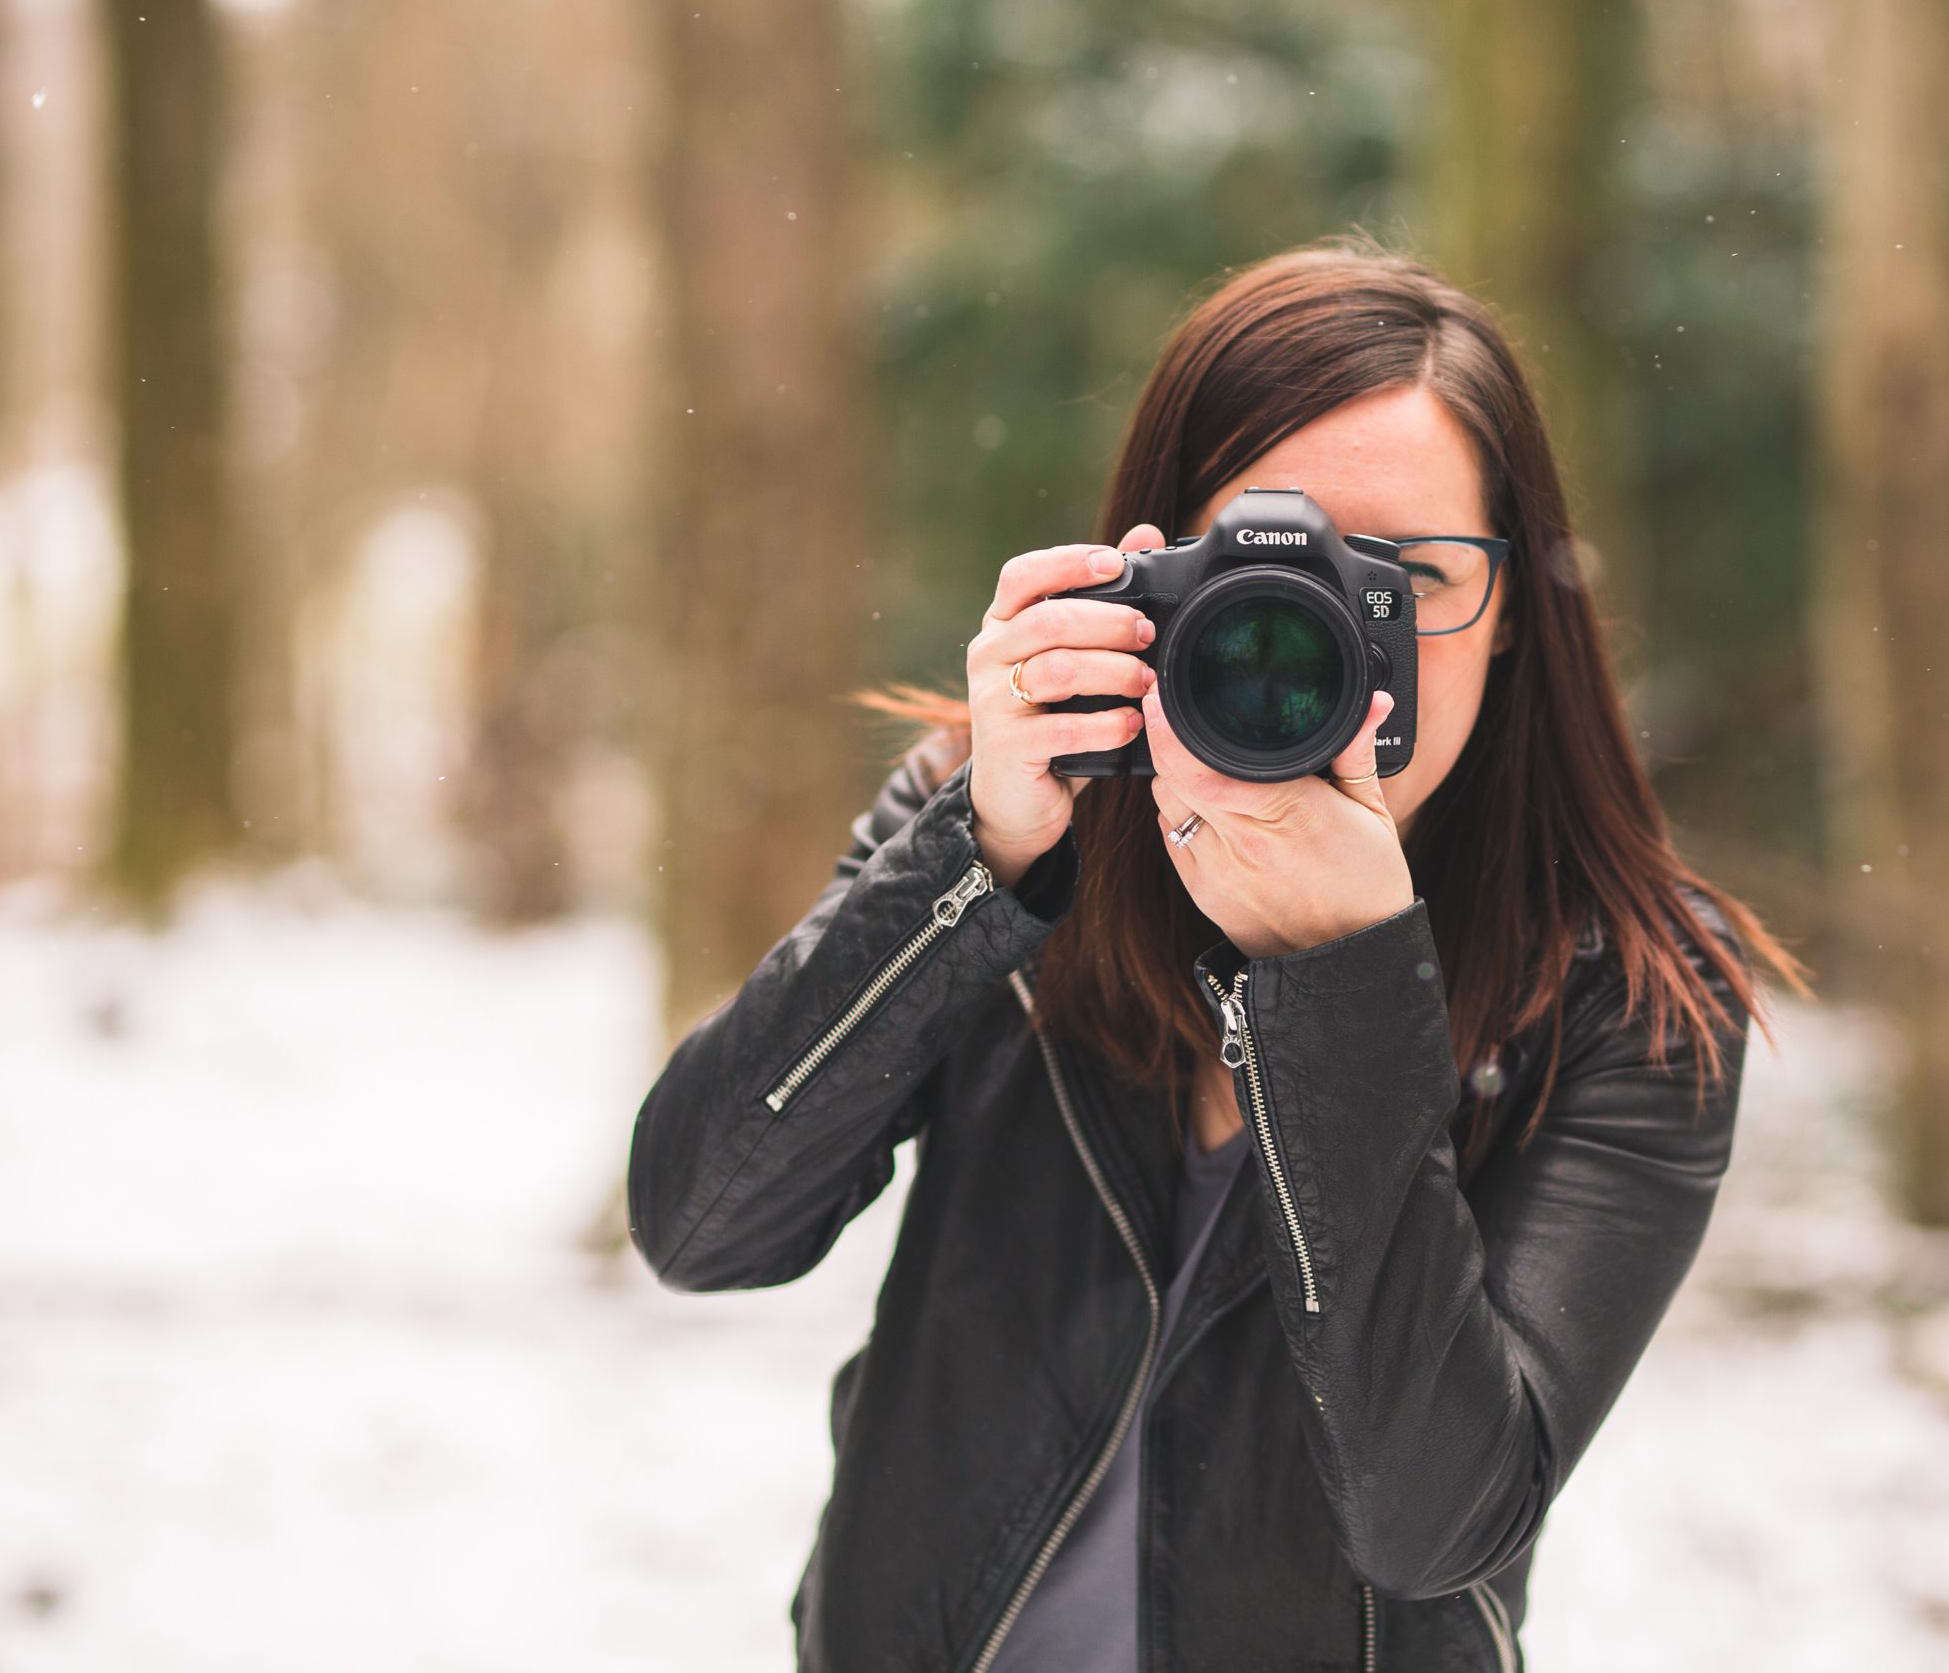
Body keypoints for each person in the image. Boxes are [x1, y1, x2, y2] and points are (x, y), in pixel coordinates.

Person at [625, 243, 1813, 1672]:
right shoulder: (1000, 826)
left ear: (1509, 615)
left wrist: (1343, 981)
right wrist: (980, 860)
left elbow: (1434, 1525)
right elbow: (700, 1227)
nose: (1318, 652)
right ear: (1146, 577)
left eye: (1408, 579)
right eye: (1268, 573)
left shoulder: (1631, 997)